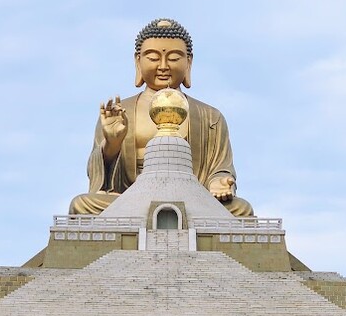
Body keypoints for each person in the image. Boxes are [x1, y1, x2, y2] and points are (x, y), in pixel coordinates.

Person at [69, 18, 253, 218]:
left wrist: (219, 182)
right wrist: (112, 143)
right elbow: (99, 180)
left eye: (174, 58)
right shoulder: (118, 113)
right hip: (132, 201)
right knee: (82, 206)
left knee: (241, 211)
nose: (163, 66)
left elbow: (220, 168)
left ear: (188, 62)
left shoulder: (210, 116)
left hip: (193, 202)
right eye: (153, 58)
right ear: (137, 61)